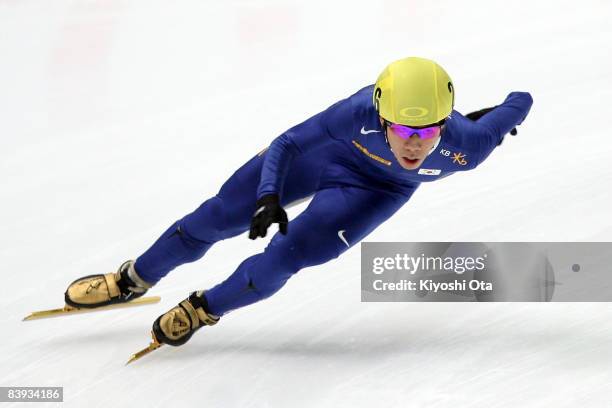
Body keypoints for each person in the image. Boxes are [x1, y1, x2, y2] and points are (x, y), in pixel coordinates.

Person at [64, 57, 533, 346]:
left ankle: (205, 308)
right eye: (403, 130)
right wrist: (269, 196)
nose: (414, 145)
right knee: (218, 217)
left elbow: (522, 100)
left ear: (444, 121)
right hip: (325, 157)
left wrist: (492, 119)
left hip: (375, 191)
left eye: (428, 131)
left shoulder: (466, 147)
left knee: (289, 256)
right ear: (381, 115)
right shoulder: (356, 114)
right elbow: (288, 144)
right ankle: (131, 279)